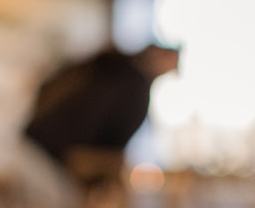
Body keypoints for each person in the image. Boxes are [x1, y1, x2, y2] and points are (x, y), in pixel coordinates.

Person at [24, 43, 178, 170]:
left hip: (36, 136)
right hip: (59, 156)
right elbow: (112, 148)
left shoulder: (108, 60)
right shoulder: (135, 87)